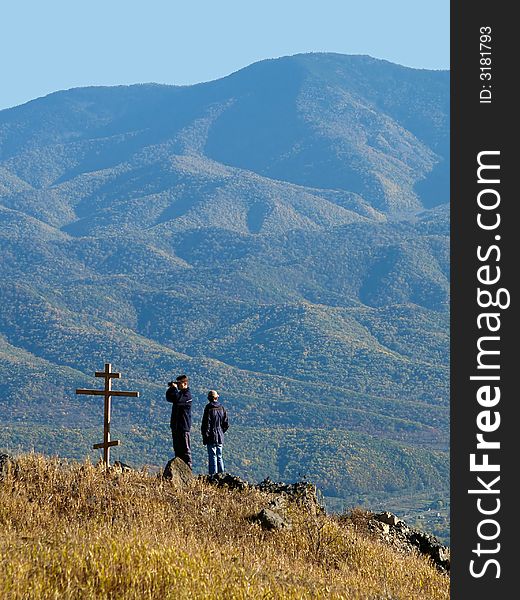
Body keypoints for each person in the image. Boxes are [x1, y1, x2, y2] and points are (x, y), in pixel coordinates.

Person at [166, 374, 192, 469]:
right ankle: (179, 468)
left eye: (179, 383)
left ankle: (188, 468)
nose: (178, 385)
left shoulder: (187, 395)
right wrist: (171, 389)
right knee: (177, 450)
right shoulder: (180, 394)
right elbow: (169, 398)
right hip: (176, 426)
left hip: (183, 427)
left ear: (185, 383)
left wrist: (174, 389)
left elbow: (177, 399)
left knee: (185, 450)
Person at [201, 390, 229, 475]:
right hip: (220, 435)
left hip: (211, 436)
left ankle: (213, 476)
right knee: (219, 456)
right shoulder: (222, 408)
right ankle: (221, 475)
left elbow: (206, 424)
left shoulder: (208, 408)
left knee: (212, 456)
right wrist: (221, 431)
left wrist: (205, 435)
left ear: (209, 398)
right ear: (216, 397)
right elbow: (226, 424)